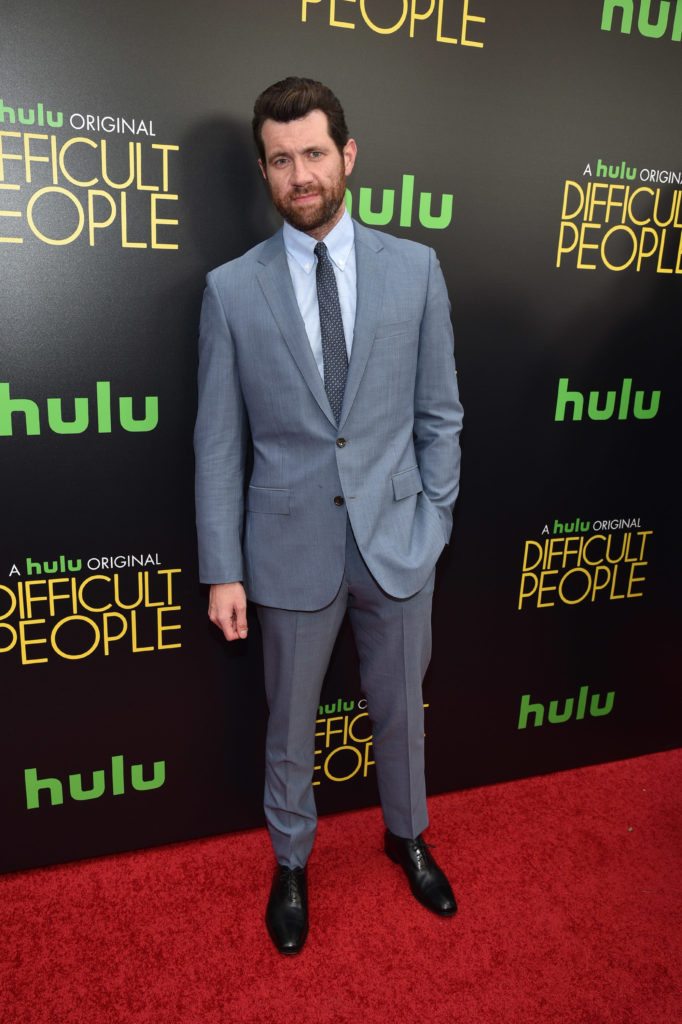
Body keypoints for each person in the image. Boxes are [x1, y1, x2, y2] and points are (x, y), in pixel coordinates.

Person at [194, 77, 463, 955]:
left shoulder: (415, 268)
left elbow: (440, 414)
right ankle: (292, 862)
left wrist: (435, 520)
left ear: (347, 156)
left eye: (314, 153)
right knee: (289, 725)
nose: (299, 174)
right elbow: (218, 443)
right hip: (286, 547)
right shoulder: (231, 291)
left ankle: (408, 835)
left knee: (400, 709)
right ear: (265, 172)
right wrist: (223, 569)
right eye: (281, 160)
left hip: (398, 543)